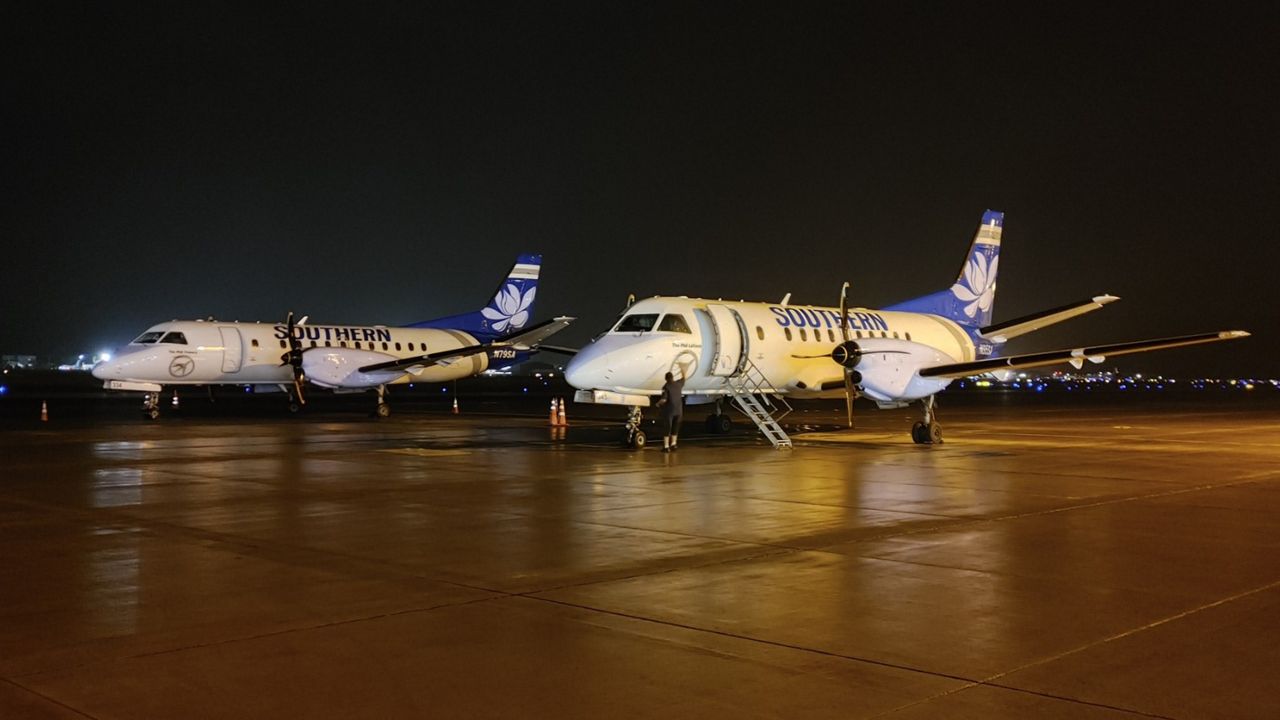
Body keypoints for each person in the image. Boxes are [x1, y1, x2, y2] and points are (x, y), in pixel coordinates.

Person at [656, 370, 685, 452]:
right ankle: (674, 444)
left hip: (669, 411)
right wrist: (683, 370)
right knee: (675, 428)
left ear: (666, 378)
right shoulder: (678, 384)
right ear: (672, 377)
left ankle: (666, 446)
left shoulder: (666, 387)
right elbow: (684, 379)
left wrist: (657, 404)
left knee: (667, 428)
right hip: (679, 410)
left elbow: (664, 399)